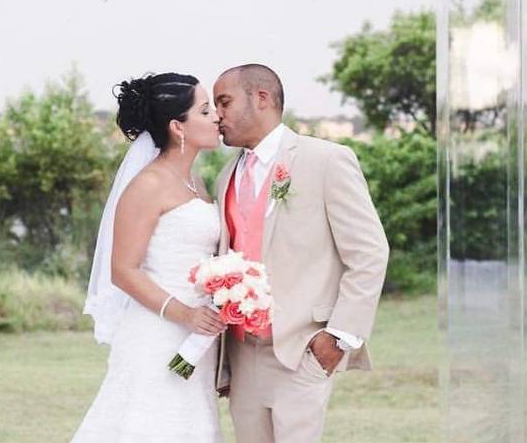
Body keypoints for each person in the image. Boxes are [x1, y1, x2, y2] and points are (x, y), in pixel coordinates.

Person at [212, 63, 390, 443]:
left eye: (224, 102)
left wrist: (339, 337)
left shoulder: (325, 160)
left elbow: (369, 253)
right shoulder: (225, 174)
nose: (217, 114)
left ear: (261, 98)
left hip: (302, 349)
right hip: (243, 354)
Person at [73, 72, 226, 442]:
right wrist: (185, 313)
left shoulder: (197, 182)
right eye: (205, 111)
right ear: (178, 126)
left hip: (197, 336)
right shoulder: (148, 185)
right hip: (158, 333)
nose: (217, 117)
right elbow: (123, 271)